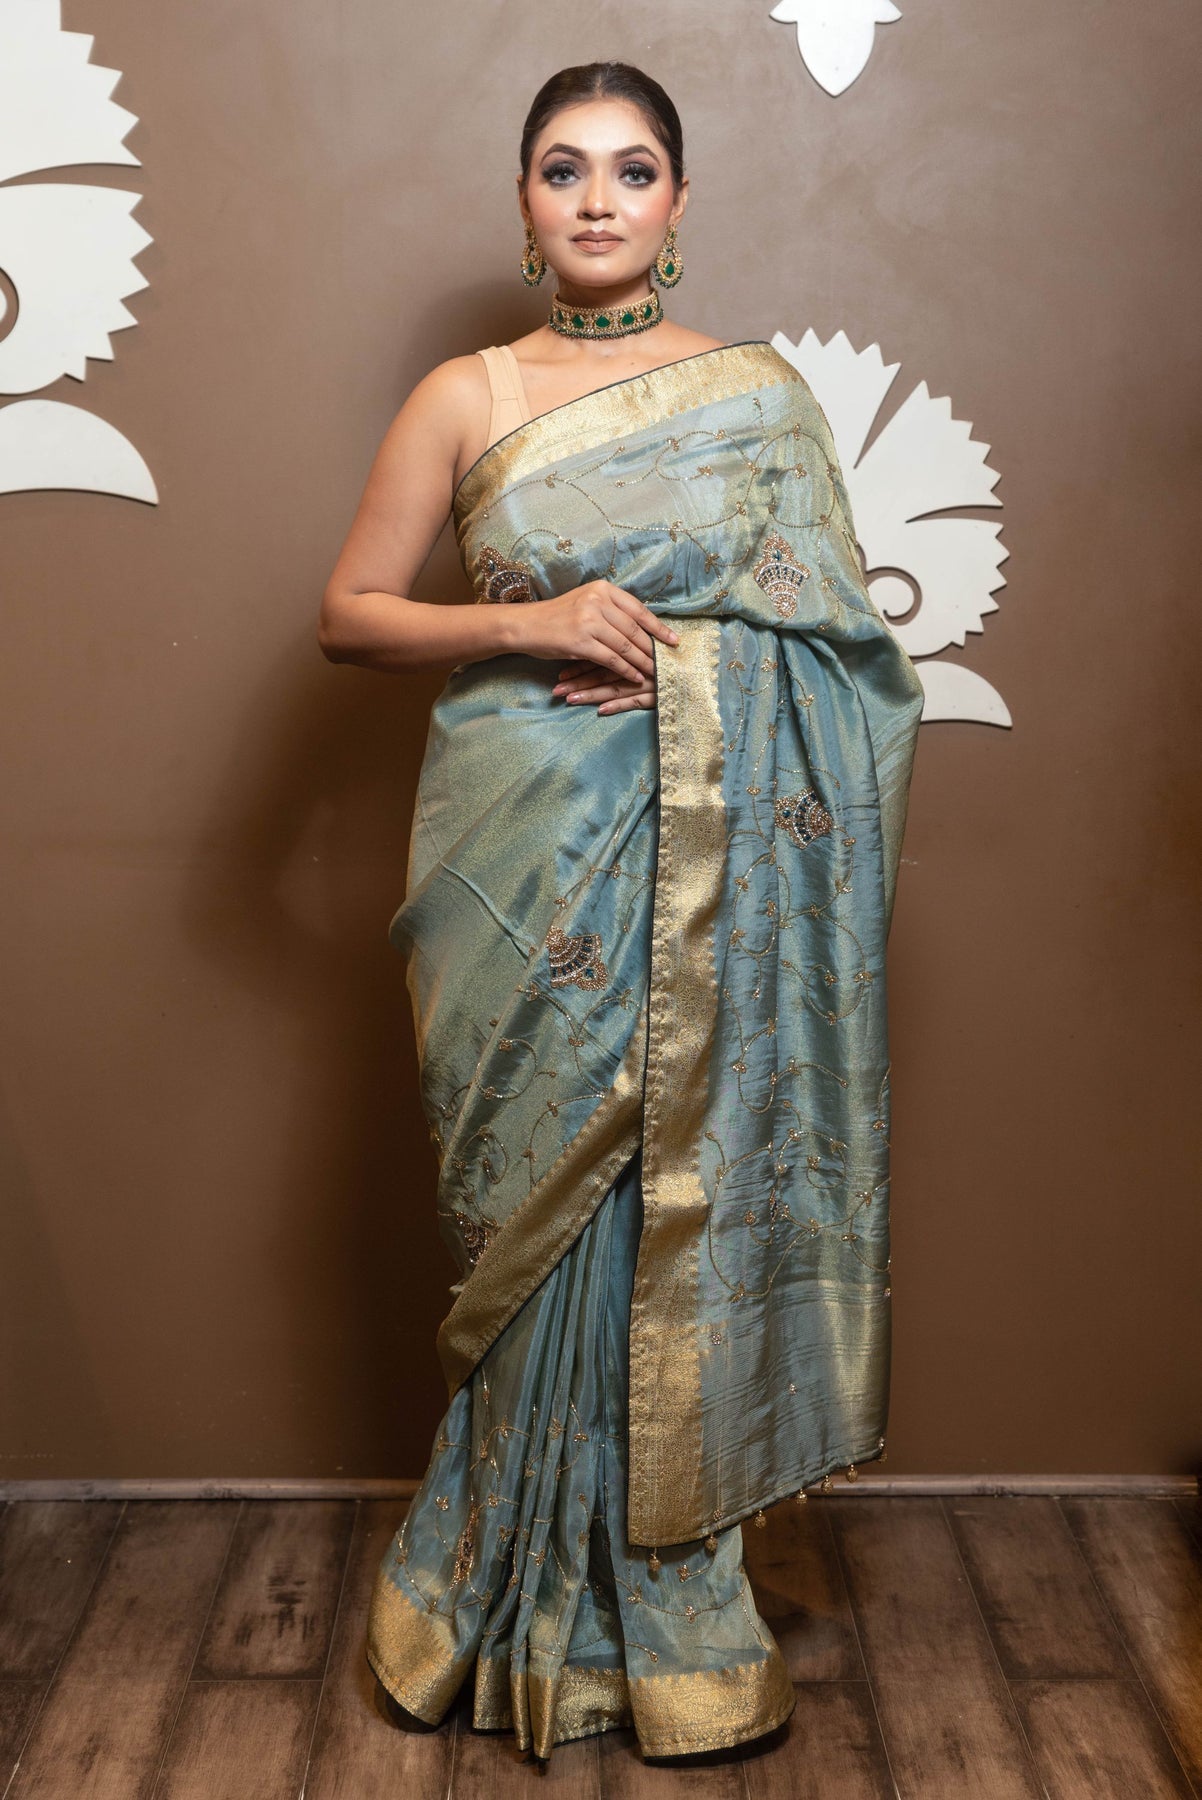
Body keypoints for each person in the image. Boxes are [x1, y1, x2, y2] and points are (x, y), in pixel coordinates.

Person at [319, 60, 924, 1765]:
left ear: (678, 200)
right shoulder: (465, 394)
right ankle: (489, 1596)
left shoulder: (760, 398)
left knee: (671, 1208)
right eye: (564, 168)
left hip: (711, 878)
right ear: (522, 200)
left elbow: (850, 660)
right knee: (528, 1238)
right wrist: (530, 622)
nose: (597, 199)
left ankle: (666, 1622)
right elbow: (351, 614)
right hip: (516, 859)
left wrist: (692, 668)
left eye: (633, 168)